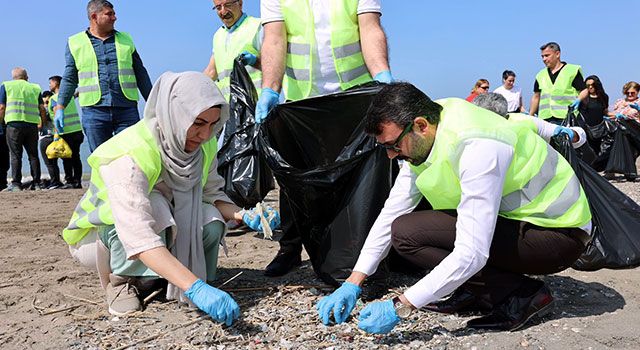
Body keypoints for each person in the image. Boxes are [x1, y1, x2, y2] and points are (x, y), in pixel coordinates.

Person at [317, 82, 592, 334]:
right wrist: (354, 281)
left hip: (557, 234)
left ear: (421, 125)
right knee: (404, 230)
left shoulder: (478, 144)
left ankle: (522, 295)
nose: (390, 155)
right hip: (515, 222)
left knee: (416, 236)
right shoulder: (427, 134)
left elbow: (472, 252)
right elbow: (393, 212)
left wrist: (401, 305)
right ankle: (477, 291)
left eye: (392, 145)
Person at [63, 71, 278, 320]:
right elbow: (137, 232)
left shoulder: (202, 145)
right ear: (175, 114)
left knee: (208, 216)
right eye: (197, 123)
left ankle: (180, 276)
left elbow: (211, 195)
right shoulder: (132, 154)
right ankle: (123, 282)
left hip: (163, 225)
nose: (205, 135)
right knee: (155, 205)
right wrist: (194, 289)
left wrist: (245, 214)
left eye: (213, 124)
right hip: (102, 238)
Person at [256, 0, 393, 277]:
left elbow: (369, 29)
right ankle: (289, 250)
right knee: (295, 174)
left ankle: (366, 253)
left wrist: (382, 76)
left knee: (357, 177)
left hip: (353, 96)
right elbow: (274, 39)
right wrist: (270, 88)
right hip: (303, 99)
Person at [55, 0, 152, 152]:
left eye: (114, 13)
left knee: (131, 157)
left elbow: (141, 73)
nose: (115, 18)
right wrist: (60, 106)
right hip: (94, 112)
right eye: (109, 14)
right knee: (101, 160)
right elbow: (70, 78)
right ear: (94, 17)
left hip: (126, 110)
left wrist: (154, 102)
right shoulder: (75, 42)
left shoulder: (126, 40)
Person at [203, 0, 263, 102]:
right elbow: (211, 72)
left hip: (258, 106)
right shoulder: (218, 35)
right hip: (229, 109)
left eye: (228, 5)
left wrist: (254, 61)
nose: (223, 11)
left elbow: (274, 65)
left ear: (240, 3)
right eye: (218, 8)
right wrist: (189, 87)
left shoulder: (257, 26)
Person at [0, 67, 46, 192]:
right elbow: (42, 108)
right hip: (31, 125)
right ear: (26, 77)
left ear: (13, 77)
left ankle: (16, 184)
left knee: (15, 155)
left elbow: (2, 107)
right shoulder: (35, 88)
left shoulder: (6, 85)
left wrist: (0, 123)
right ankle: (36, 183)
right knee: (33, 155)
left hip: (13, 125)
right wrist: (43, 124)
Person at [530, 42, 588, 124]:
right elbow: (536, 96)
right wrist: (531, 115)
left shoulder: (572, 71)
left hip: (567, 117)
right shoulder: (540, 75)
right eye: (542, 56)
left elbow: (584, 90)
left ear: (557, 54)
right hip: (545, 119)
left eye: (547, 55)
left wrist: (579, 100)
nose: (544, 59)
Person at [48, 75, 85, 189]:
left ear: (56, 83)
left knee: (66, 158)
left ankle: (70, 181)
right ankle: (78, 181)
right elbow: (76, 94)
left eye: (50, 83)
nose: (49, 85)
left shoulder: (54, 98)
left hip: (65, 132)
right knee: (76, 157)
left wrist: (56, 133)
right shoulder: (69, 97)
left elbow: (56, 115)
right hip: (77, 130)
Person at [39, 91, 64, 189]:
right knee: (54, 162)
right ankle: (56, 181)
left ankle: (55, 182)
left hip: (45, 138)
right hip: (54, 137)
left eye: (47, 103)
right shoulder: (55, 110)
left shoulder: (44, 112)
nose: (46, 105)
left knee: (49, 163)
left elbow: (41, 125)